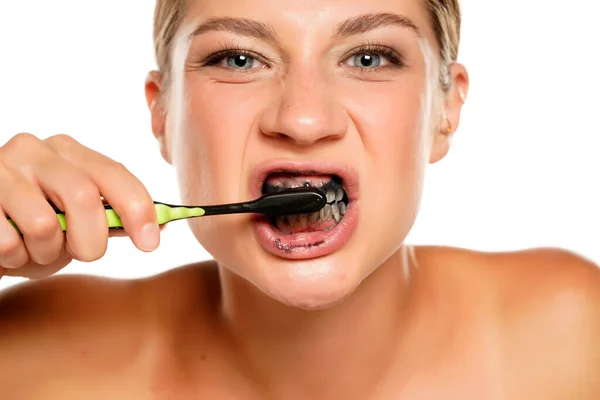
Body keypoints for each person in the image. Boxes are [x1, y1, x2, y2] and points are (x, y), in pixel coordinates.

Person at [0, 0, 599, 398]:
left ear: (446, 111)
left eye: (369, 57)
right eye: (238, 58)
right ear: (162, 113)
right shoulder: (32, 360)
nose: (304, 118)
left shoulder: (573, 335)